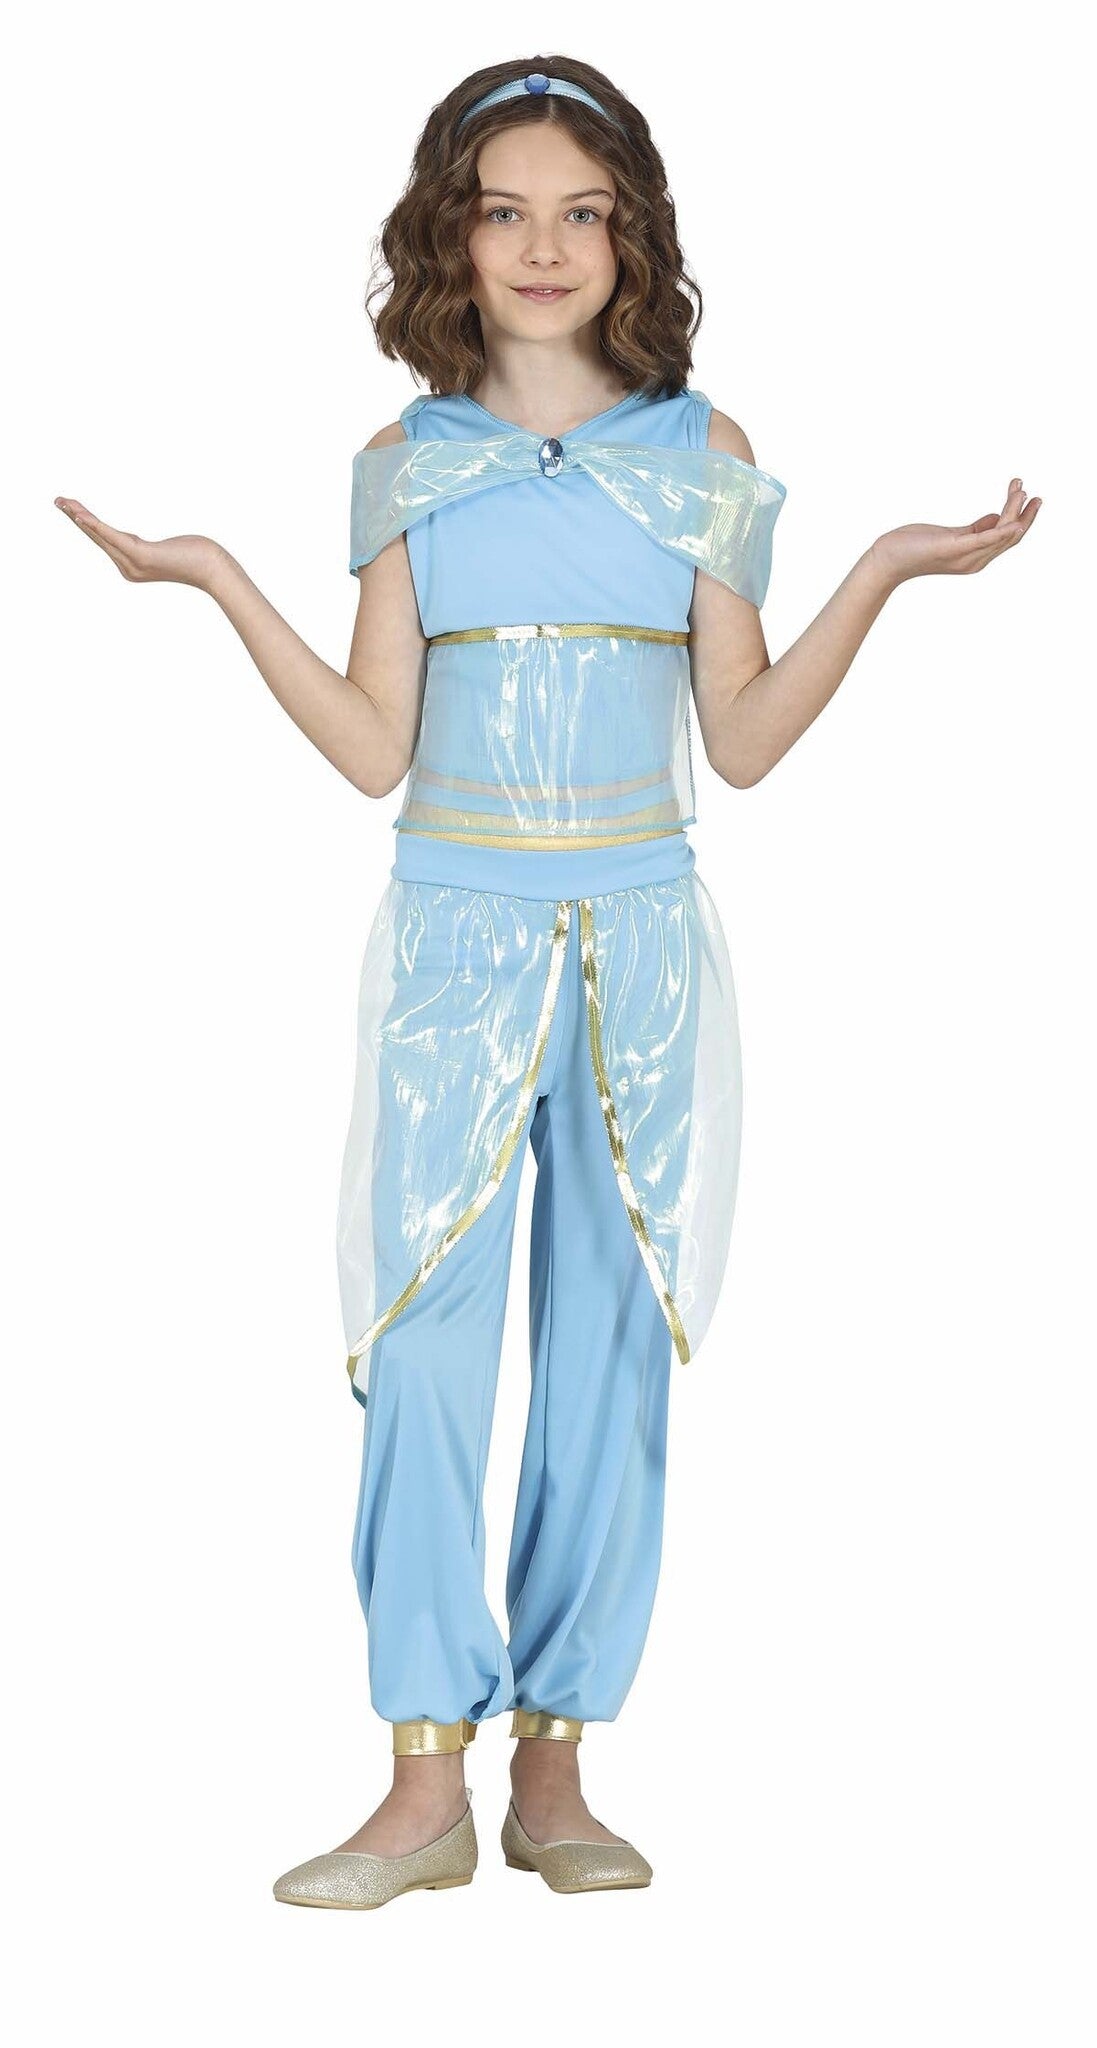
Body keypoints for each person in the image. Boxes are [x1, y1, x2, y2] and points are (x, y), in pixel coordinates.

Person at [54, 57, 1040, 1909]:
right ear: (449, 233)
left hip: (639, 943)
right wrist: (218, 583)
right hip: (456, 936)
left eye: (580, 213)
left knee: (606, 1340)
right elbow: (372, 745)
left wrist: (887, 570)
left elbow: (741, 741)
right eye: (503, 210)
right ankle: (420, 1784)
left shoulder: (702, 449)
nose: (541, 246)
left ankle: (557, 1768)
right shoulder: (407, 459)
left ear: (630, 237)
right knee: (425, 1343)